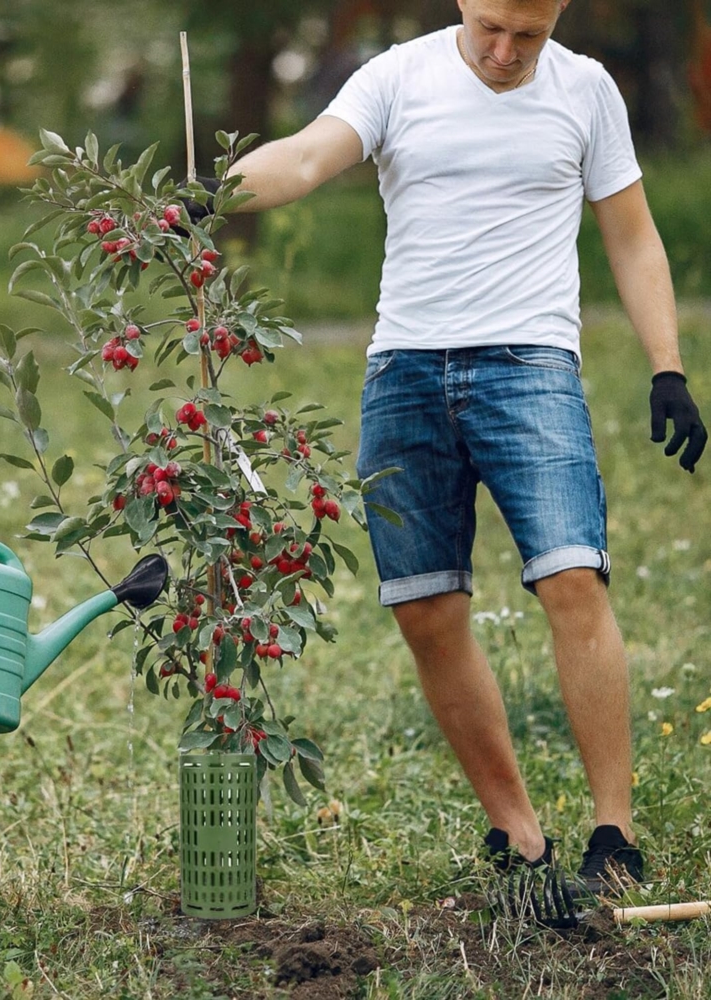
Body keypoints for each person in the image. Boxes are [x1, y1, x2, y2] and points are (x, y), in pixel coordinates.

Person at [211, 0, 707, 893]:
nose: (505, 51)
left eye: (529, 34)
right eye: (489, 27)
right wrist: (213, 192)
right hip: (403, 372)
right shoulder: (398, 77)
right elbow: (309, 156)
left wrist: (667, 366)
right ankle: (517, 834)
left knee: (571, 576)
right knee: (426, 608)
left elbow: (632, 239)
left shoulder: (587, 91)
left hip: (531, 367)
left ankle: (613, 838)